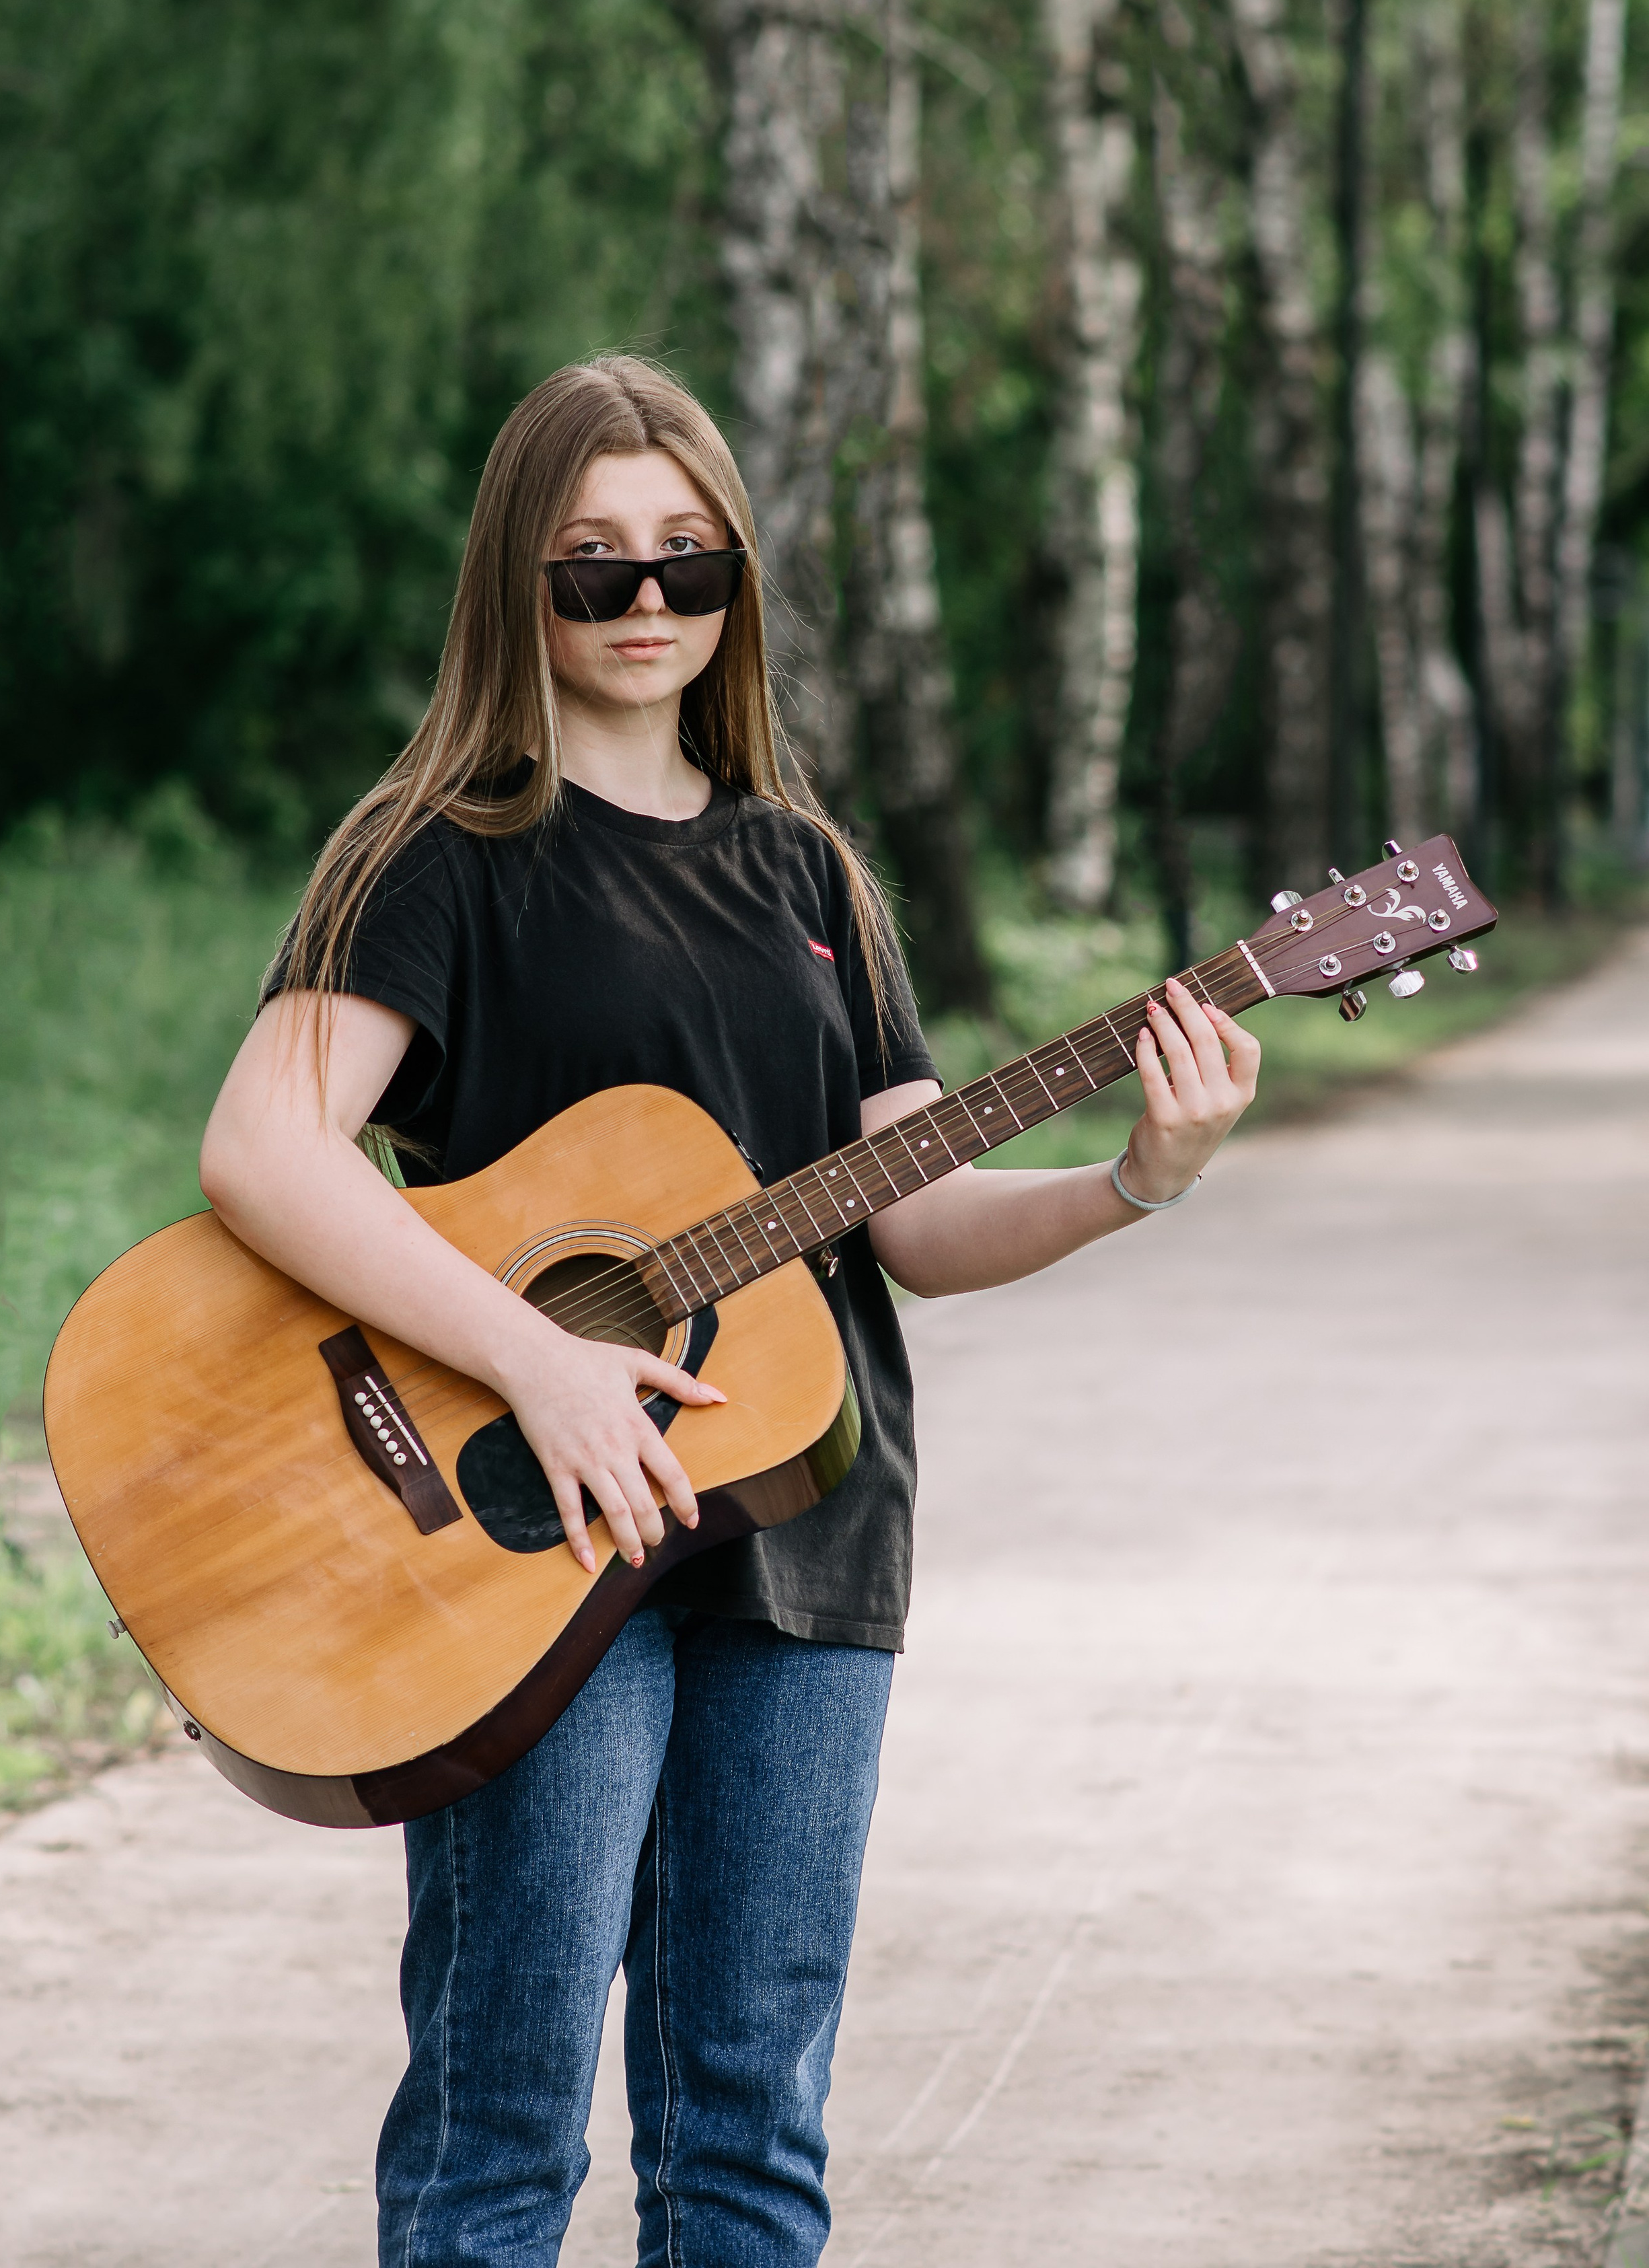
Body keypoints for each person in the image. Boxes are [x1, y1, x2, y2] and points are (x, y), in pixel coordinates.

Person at [197, 355, 1260, 2268]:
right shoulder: (441, 858)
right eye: (591, 566)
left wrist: (1131, 1182)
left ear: (739, 583)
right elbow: (266, 1151)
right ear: (516, 586)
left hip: (810, 1540)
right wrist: (539, 1357)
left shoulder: (814, 877)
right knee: (501, 2125)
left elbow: (914, 1218)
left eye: (689, 564)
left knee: (753, 2128)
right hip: (534, 1536)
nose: (647, 608)